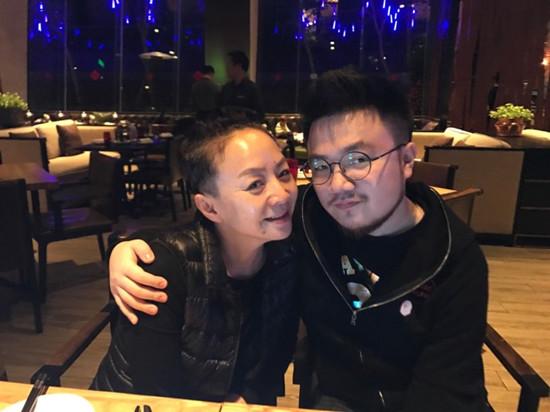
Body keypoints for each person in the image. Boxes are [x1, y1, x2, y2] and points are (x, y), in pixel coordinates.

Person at [108, 70, 489, 412]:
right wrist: (130, 248)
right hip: (333, 398)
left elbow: (445, 393)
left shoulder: (452, 257)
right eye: (320, 165)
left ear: (406, 159)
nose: (338, 185)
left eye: (358, 160)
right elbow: (215, 225)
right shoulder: (305, 218)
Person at [92, 119, 299, 406]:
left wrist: (246, 397)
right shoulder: (163, 270)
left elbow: (276, 354)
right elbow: (153, 392)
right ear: (209, 207)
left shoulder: (287, 256)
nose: (281, 194)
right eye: (255, 184)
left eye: (283, 173)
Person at [220, 50, 264, 121]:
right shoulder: (226, 88)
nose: (226, 68)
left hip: (246, 127)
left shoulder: (252, 89)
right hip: (228, 127)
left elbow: (260, 115)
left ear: (238, 66)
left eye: (229, 65)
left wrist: (245, 117)